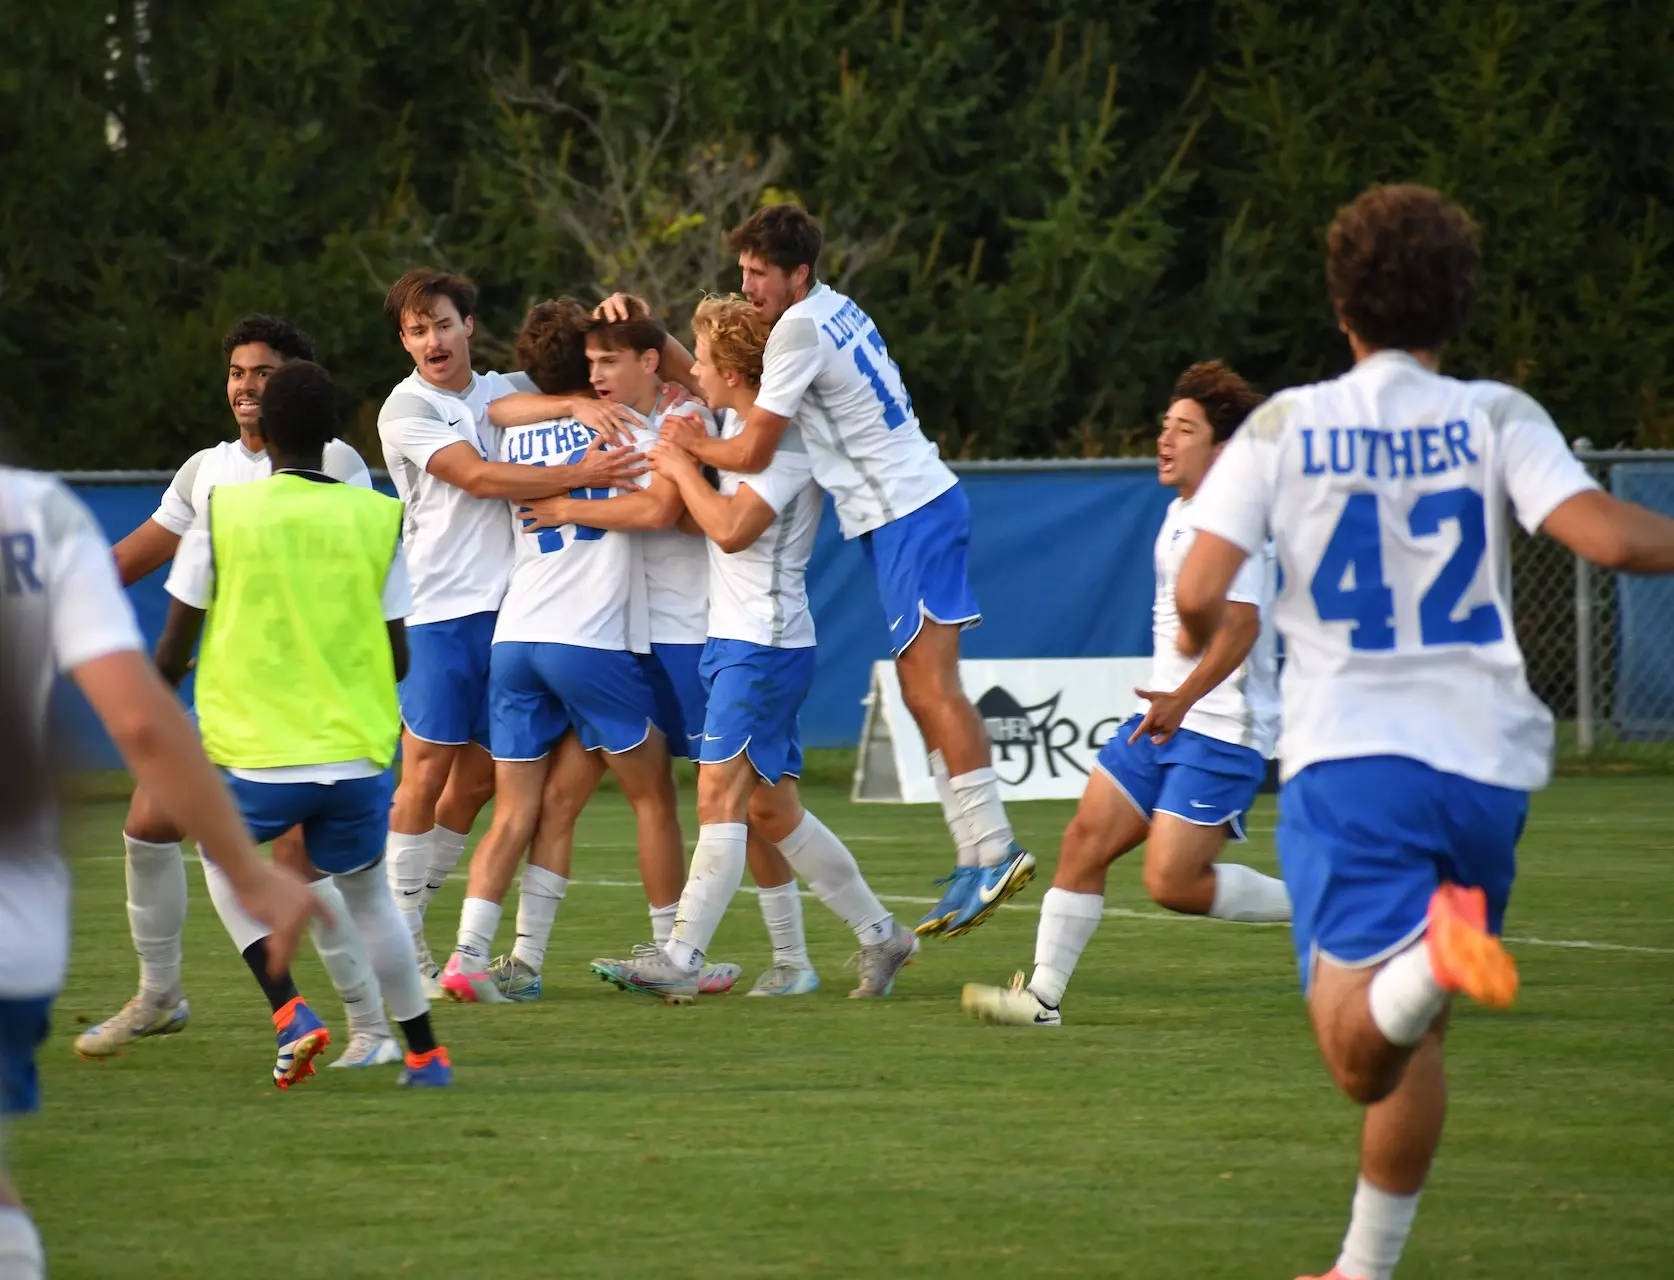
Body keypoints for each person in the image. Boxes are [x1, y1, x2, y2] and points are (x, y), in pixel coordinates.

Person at [1171, 183, 1674, 1280]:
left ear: (1341, 304)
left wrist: (1196, 620)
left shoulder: (1286, 425)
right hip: (1488, 769)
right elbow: (1612, 540)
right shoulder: (1497, 414)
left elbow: (1205, 585)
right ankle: (1365, 1265)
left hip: (1355, 763)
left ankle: (1435, 956)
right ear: (1457, 306)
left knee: (1360, 1050)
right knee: (1419, 1031)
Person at [614, 203, 1036, 939]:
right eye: (743, 271)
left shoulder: (801, 329)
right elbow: (723, 373)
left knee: (932, 686)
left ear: (798, 274)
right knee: (917, 687)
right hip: (908, 514)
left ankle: (993, 850)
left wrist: (682, 458)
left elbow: (749, 448)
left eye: (760, 274)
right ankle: (977, 855)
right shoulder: (825, 313)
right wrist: (651, 332)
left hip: (912, 512)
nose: (747, 286)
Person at [2, 462, 322, 1280]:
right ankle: (164, 994)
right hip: (20, 925)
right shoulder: (40, 514)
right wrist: (247, 870)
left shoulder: (328, 472)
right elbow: (140, 716)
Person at [79, 314, 399, 1069]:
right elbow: (134, 556)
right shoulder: (206, 471)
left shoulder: (338, 465)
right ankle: (162, 996)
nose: (246, 386)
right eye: (236, 373)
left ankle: (365, 1026)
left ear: (296, 386)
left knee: (302, 866)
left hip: (311, 700)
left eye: (263, 373)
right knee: (150, 824)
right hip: (236, 694)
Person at [591, 296, 917, 1002]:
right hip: (739, 639)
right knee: (771, 810)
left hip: (762, 643)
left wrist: (677, 469)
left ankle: (681, 954)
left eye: (704, 364)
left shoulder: (785, 440)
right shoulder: (740, 426)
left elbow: (734, 529)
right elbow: (708, 526)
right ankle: (881, 933)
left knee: (717, 790)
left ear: (734, 370)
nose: (694, 373)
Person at [962, 361, 1291, 1028]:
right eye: (1165, 427)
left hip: (1222, 727)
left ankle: (1328, 901)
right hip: (1165, 718)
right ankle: (1041, 1000)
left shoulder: (1240, 524)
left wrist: (1184, 699)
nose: (1165, 440)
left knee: (1172, 883)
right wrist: (1169, 703)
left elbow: (1243, 629)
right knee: (1084, 838)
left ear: (1222, 450)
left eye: (1184, 430)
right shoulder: (1178, 512)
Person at [155, 359, 452, 1088]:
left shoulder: (224, 511)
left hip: (259, 756)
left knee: (221, 857)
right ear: (332, 435)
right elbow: (398, 656)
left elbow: (172, 647)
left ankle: (290, 1011)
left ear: (266, 428)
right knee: (371, 898)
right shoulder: (375, 516)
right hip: (354, 754)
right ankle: (425, 1054)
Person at [376, 270, 644, 991]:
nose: (431, 340)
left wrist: (573, 404)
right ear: (404, 340)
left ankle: (416, 934)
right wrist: (577, 470)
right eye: (416, 329)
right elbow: (481, 478)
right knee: (424, 772)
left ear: (469, 325)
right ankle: (400, 945)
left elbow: (526, 398)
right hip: (436, 610)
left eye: (441, 324)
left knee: (481, 782)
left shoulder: (499, 391)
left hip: (508, 611)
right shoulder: (404, 408)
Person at [435, 300, 704, 1003]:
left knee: (527, 808)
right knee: (654, 794)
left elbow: (497, 414)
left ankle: (480, 958)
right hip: (587, 640)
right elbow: (656, 511)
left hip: (515, 637)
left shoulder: (510, 426)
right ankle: (676, 952)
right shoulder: (625, 426)